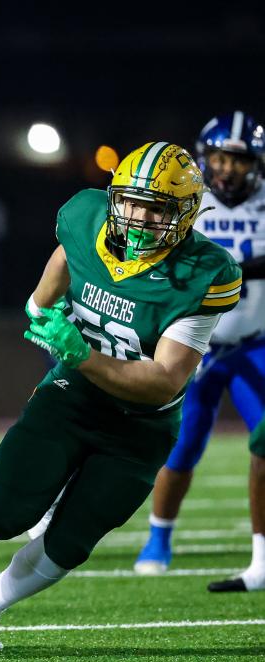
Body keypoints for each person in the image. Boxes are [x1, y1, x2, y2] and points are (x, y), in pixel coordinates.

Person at [0, 141, 242, 653]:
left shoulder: (203, 273)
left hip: (141, 425)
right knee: (1, 519)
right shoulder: (86, 217)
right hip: (74, 397)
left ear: (185, 215)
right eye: (130, 201)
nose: (138, 217)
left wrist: (81, 354)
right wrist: (39, 306)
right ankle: (52, 491)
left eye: (156, 208)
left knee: (70, 543)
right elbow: (65, 261)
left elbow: (165, 379)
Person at [133, 112, 265, 592]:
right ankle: (158, 537)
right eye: (220, 158)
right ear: (205, 158)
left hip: (255, 343)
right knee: (183, 444)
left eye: (238, 160)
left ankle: (261, 555)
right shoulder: (189, 199)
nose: (227, 169)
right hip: (197, 344)